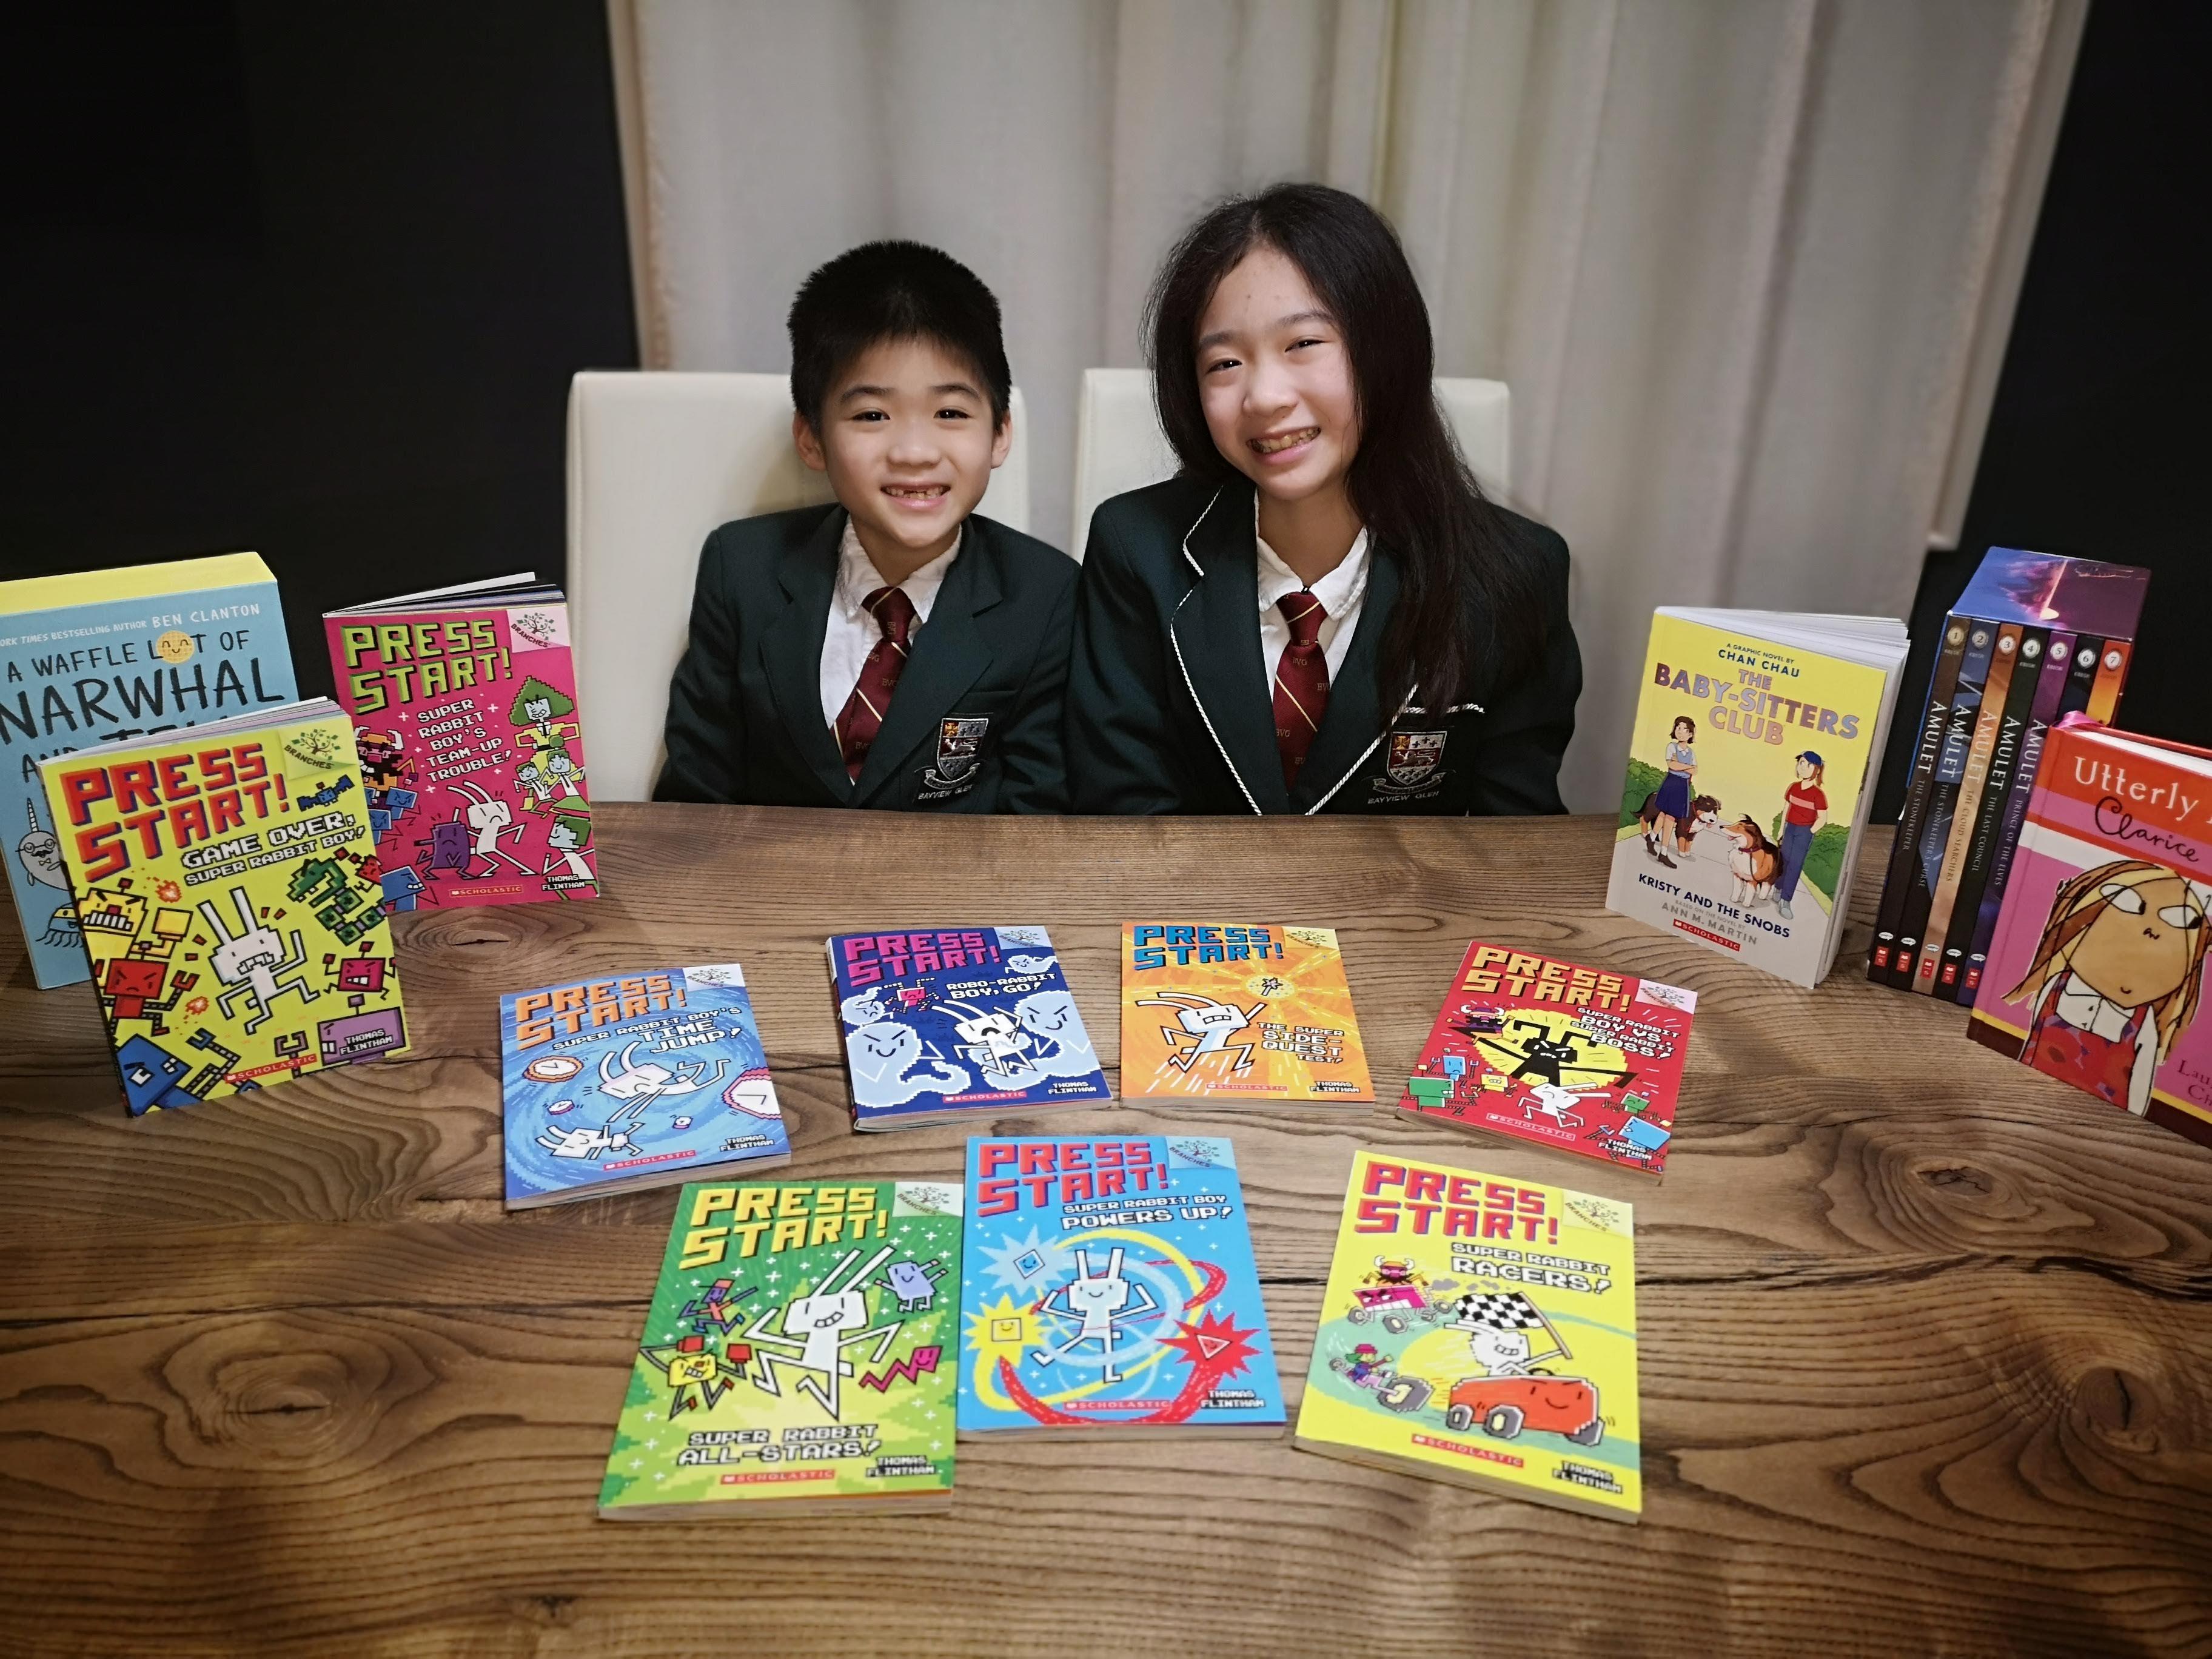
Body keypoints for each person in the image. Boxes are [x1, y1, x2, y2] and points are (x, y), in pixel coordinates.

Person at [1065, 183, 1580, 815]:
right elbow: (1122, 808)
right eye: (1224, 364)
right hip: (1194, 912)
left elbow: (1515, 839)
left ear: (1384, 349)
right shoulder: (1135, 548)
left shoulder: (1515, 574)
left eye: (1303, 344)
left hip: (1408, 915)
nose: (1263, 396)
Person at [655, 241, 1074, 812]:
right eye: (871, 415)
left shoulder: (1046, 594)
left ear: (1000, 433)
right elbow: (696, 792)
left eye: (950, 413)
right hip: (762, 892)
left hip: (960, 896)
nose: (914, 452)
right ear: (811, 437)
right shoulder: (741, 568)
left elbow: (1041, 814)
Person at [1773, 749, 1826, 919]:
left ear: (1815, 768)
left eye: (1805, 764)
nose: (1801, 767)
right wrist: (1782, 829)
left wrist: (1810, 832)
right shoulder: (1794, 788)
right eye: (1800, 763)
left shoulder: (1818, 794)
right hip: (1790, 828)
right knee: (1784, 860)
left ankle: (1786, 901)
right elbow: (1787, 808)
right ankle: (1778, 887)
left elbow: (1823, 819)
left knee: (1795, 865)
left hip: (1804, 832)